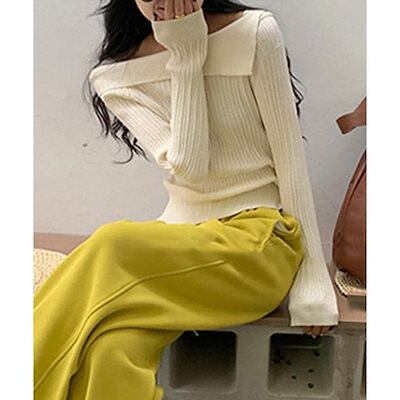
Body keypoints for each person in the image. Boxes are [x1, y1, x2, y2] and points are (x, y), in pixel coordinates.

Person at [34, 0, 339, 398]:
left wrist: (313, 281)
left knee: (112, 242)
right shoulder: (114, 76)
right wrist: (185, 55)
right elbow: (190, 167)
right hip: (178, 250)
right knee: (111, 347)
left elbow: (289, 157)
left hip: (256, 246)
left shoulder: (254, 33)